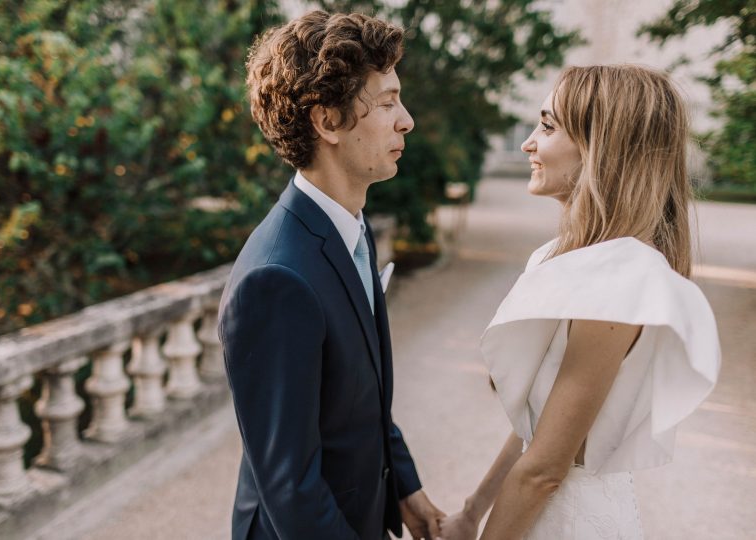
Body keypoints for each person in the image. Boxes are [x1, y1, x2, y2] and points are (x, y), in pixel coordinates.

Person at [440, 64, 722, 539]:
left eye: (548, 127)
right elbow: (541, 425)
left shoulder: (620, 279)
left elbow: (546, 469)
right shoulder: (560, 258)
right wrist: (472, 512)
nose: (529, 142)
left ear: (601, 149)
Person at [217, 10, 445, 540]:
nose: (406, 119)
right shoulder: (275, 281)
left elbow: (358, 404)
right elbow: (291, 488)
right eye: (387, 102)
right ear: (327, 122)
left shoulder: (349, 227)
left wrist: (408, 493)